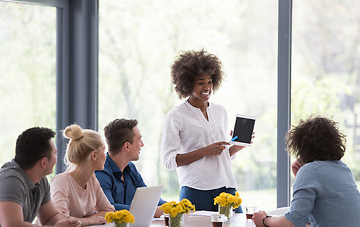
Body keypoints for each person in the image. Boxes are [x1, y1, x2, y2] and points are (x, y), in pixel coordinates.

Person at [161, 49, 247, 212]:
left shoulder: (220, 111)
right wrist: (204, 151)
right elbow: (169, 161)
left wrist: (236, 147)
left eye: (209, 81)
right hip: (195, 189)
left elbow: (221, 154)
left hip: (226, 186)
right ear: (187, 84)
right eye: (201, 82)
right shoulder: (176, 116)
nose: (207, 87)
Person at [253, 116, 360, 227]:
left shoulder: (309, 171)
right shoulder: (343, 169)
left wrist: (265, 220)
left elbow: (293, 222)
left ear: (301, 147)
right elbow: (331, 214)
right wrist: (301, 175)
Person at [0, 127, 81, 227]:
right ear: (43, 162)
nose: (57, 157)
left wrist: (66, 222)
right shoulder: (11, 181)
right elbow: (12, 225)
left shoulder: (40, 180)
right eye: (55, 153)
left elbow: (50, 218)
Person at [95, 118, 166, 218]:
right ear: (127, 146)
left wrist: (170, 206)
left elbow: (149, 198)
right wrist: (150, 212)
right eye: (139, 140)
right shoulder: (101, 171)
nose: (142, 144)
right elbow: (108, 208)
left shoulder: (131, 168)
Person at [50, 124, 115, 226]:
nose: (106, 155)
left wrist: (82, 221)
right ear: (94, 155)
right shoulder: (61, 181)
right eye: (103, 150)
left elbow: (109, 211)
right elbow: (61, 221)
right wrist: (91, 220)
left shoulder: (92, 180)